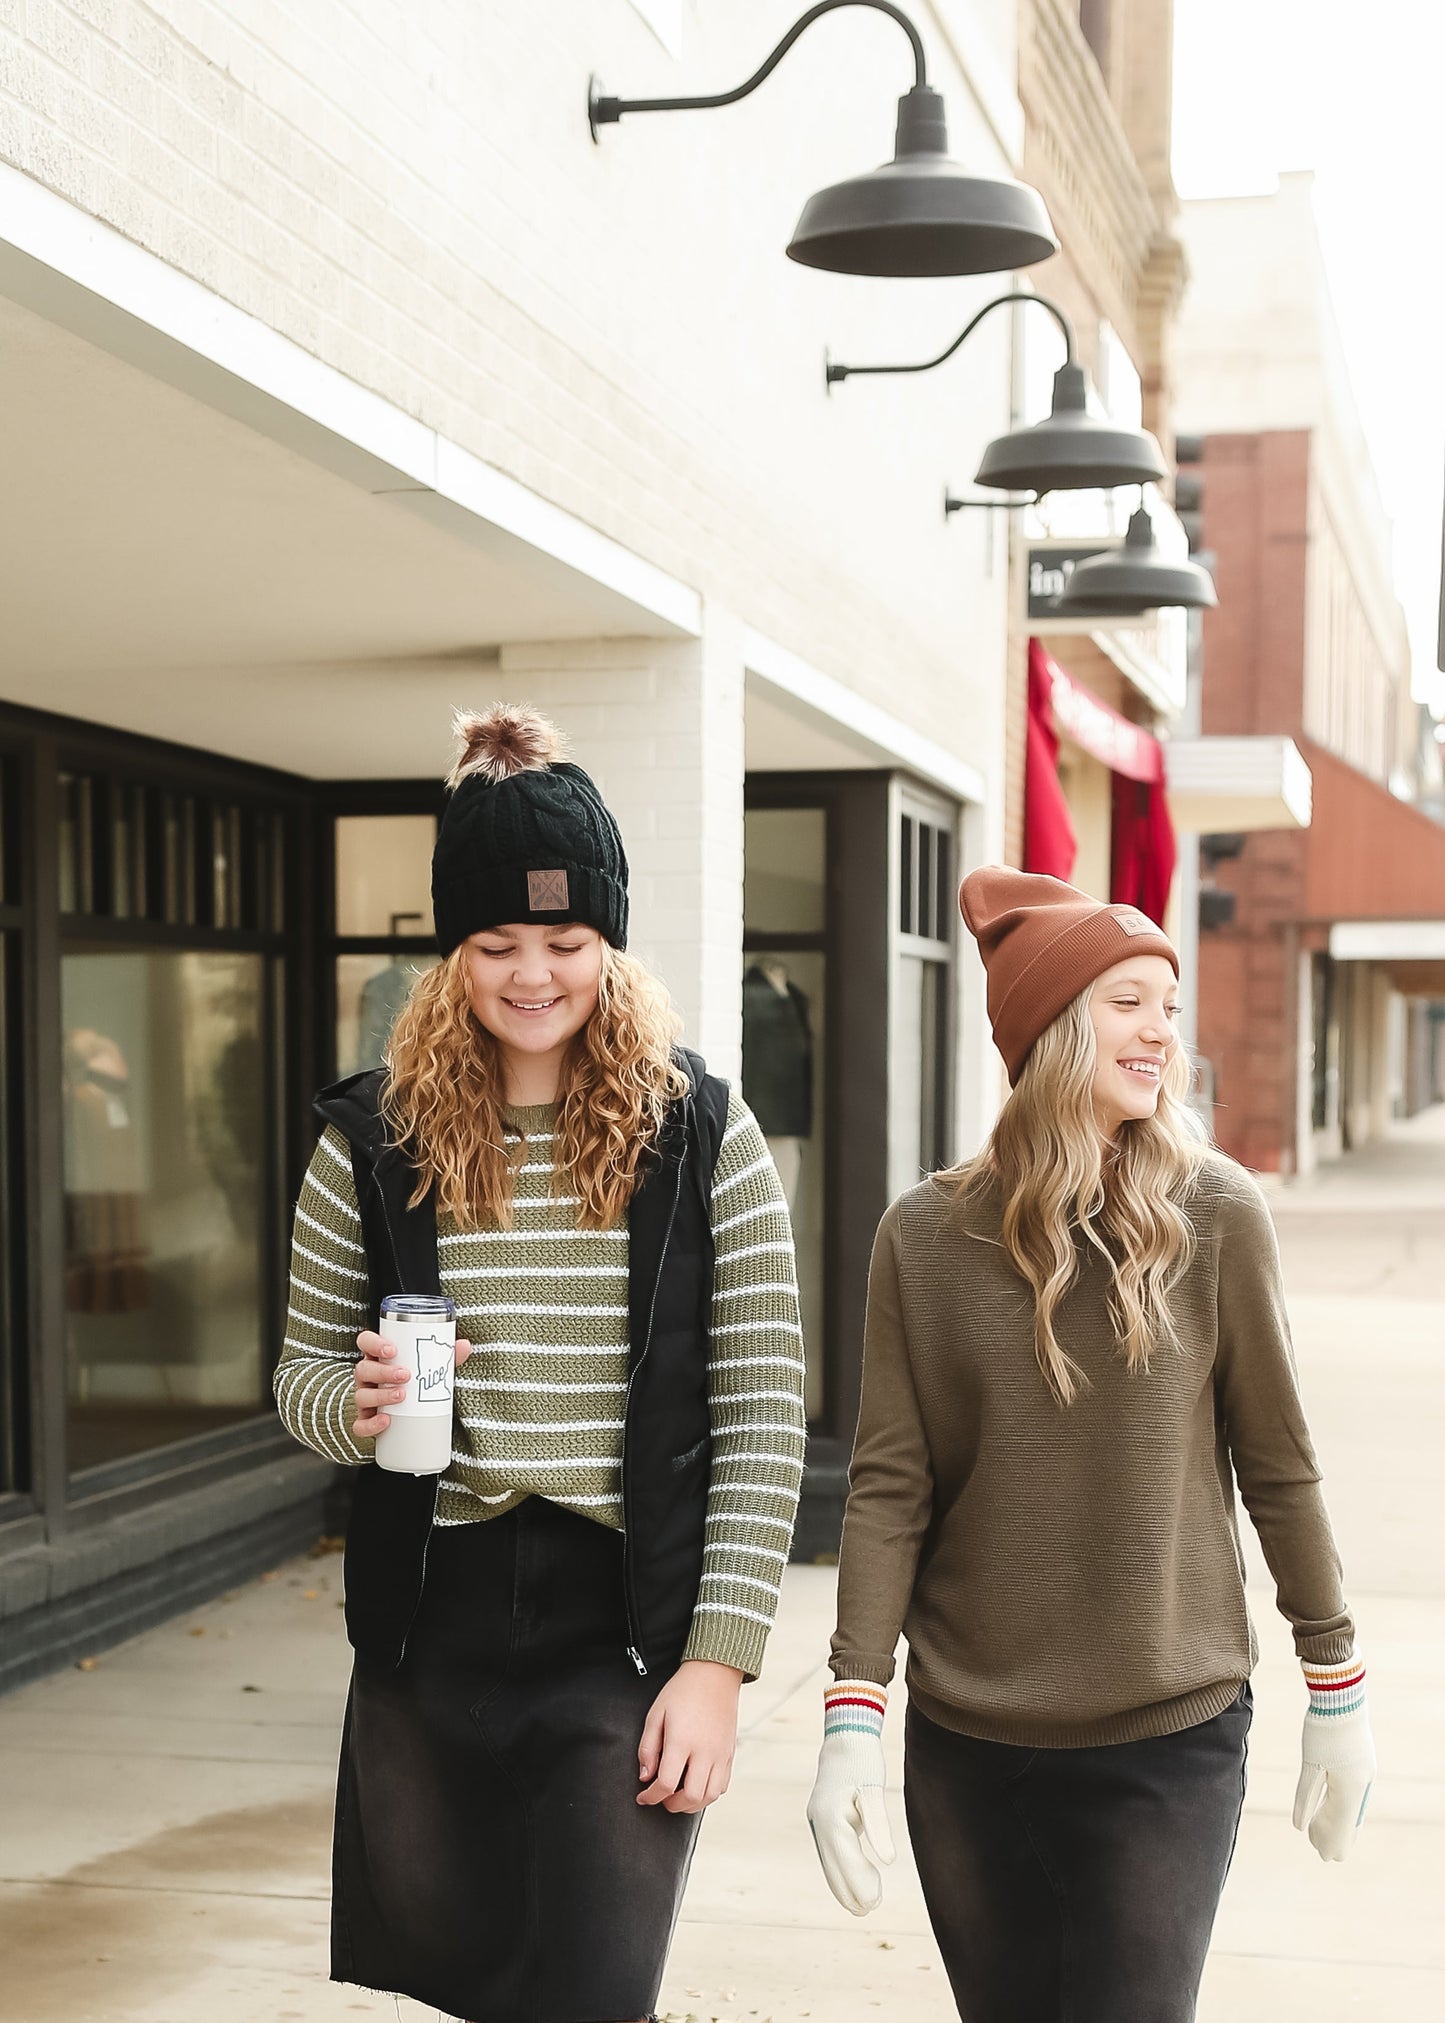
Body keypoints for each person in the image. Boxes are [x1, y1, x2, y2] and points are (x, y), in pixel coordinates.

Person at [274, 704, 807, 2023]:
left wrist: (719, 1661)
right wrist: (361, 1403)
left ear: (608, 946)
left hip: (624, 1632)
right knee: (479, 1983)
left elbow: (760, 1402)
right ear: (453, 951)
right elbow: (298, 1379)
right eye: (495, 942)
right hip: (431, 1627)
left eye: (564, 941)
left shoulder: (697, 1130)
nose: (531, 973)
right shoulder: (370, 1135)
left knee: (594, 1989)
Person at [807, 868, 1375, 2023]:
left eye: (1166, 1002)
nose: (1161, 1029)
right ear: (1051, 1026)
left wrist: (1335, 1681)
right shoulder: (921, 1234)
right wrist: (851, 1710)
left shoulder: (1216, 1215)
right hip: (969, 1743)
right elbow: (887, 1488)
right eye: (1127, 1000)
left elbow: (1276, 1459)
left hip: (1167, 1738)